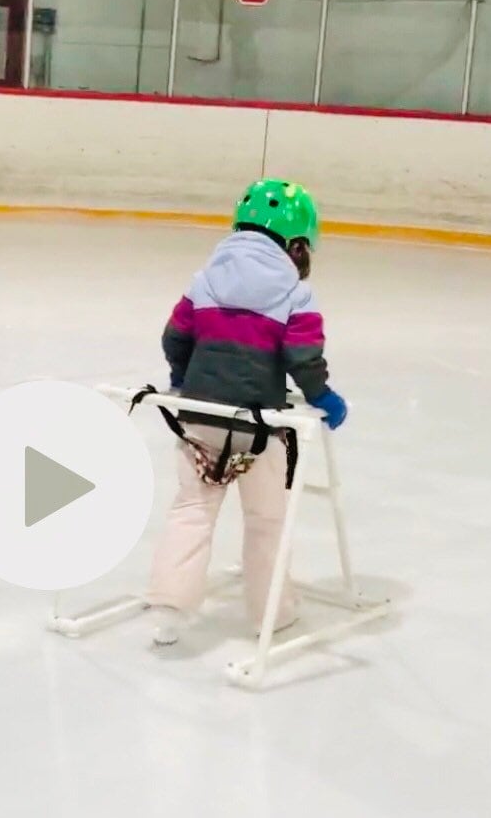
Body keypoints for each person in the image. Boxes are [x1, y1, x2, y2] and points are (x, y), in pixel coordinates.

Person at [146, 179, 348, 647]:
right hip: (261, 428)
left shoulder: (204, 280)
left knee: (192, 508)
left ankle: (170, 610)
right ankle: (271, 616)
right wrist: (325, 398)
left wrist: (181, 378)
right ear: (296, 244)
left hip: (198, 419)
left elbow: (174, 337)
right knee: (266, 521)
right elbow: (303, 358)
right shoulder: (296, 295)